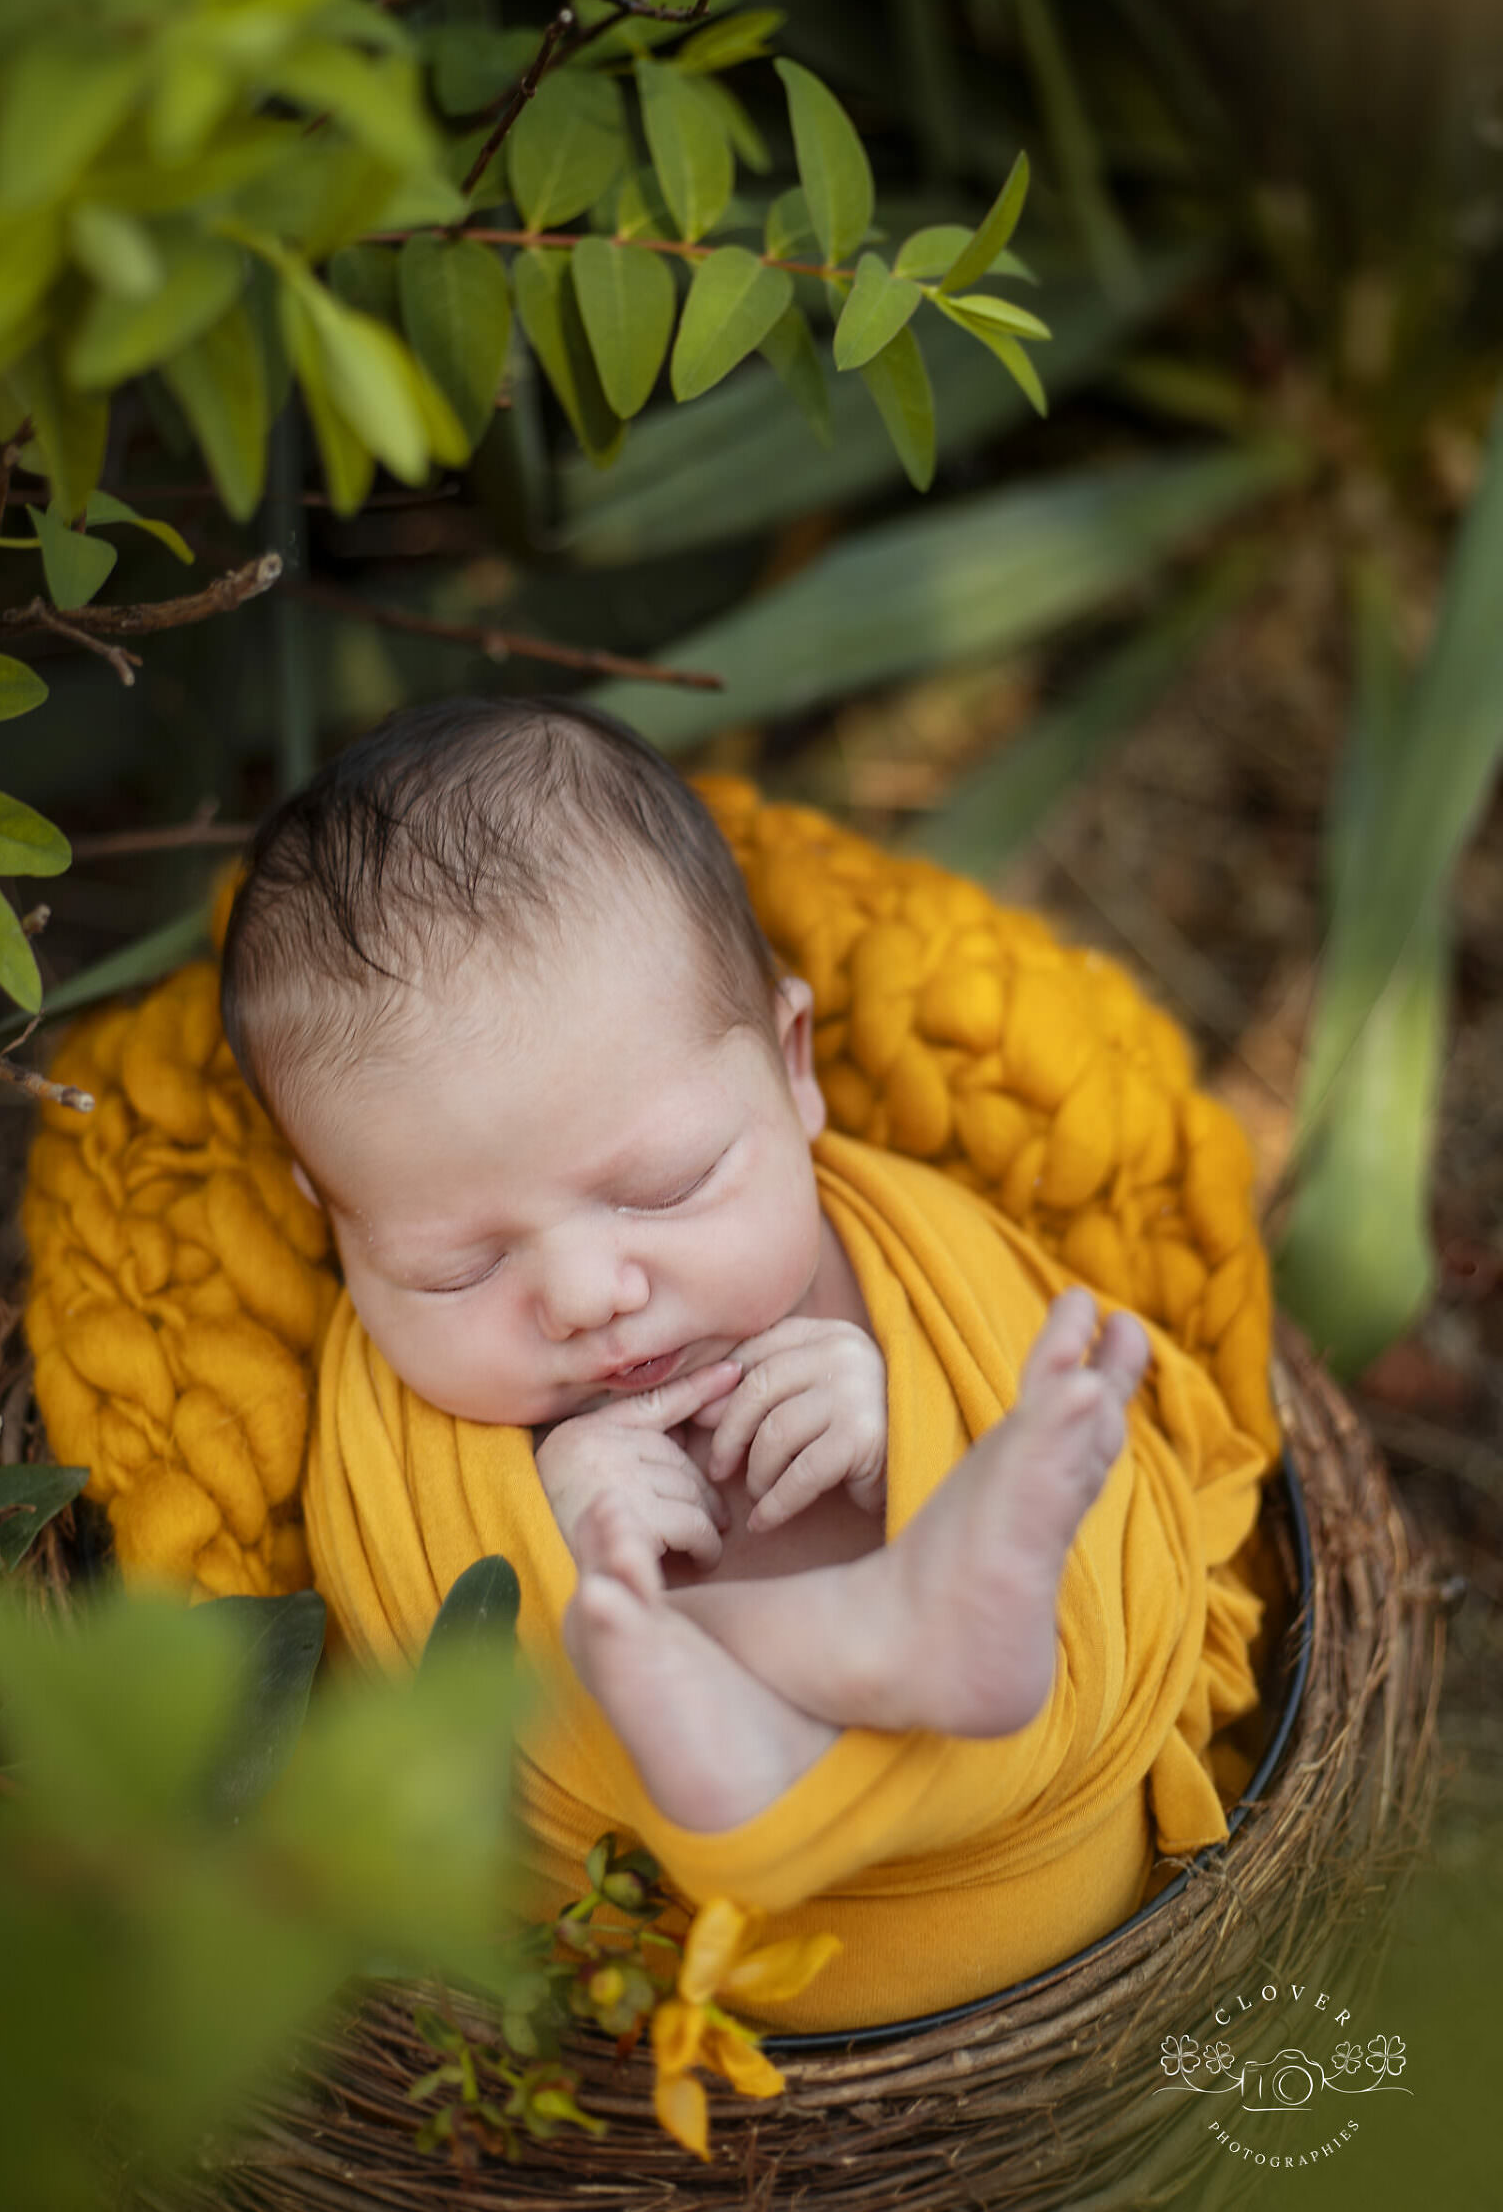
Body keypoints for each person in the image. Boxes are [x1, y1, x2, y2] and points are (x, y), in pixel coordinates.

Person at [221, 696, 1157, 1836]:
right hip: (656, 1938)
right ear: (336, 1218)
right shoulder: (407, 1425)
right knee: (611, 1667)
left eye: (662, 1187)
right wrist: (538, 1553)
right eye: (455, 1265)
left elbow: (1115, 1509)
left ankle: (878, 1639)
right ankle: (829, 1658)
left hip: (1027, 1825)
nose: (584, 1297)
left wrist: (920, 1435)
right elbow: (389, 1696)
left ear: (790, 1065)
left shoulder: (909, 1256)